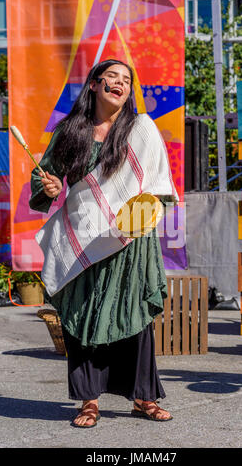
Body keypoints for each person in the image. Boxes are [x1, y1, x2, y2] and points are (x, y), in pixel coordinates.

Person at [29, 59, 178, 428]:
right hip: (85, 236)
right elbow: (46, 176)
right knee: (84, 316)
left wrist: (140, 216)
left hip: (130, 238)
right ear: (94, 85)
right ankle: (88, 401)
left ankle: (144, 397)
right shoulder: (71, 131)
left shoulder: (140, 129)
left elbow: (159, 182)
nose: (120, 83)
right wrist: (48, 188)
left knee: (135, 316)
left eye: (126, 80)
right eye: (112, 77)